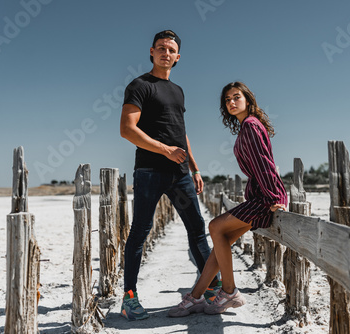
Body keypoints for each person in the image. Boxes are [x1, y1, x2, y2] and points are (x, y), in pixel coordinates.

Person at [119, 30, 218, 321]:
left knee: (197, 230)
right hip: (150, 172)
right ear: (151, 52)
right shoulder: (139, 85)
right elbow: (127, 129)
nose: (165, 52)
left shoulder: (178, 91)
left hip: (180, 174)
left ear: (177, 57)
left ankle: (211, 290)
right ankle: (130, 298)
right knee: (140, 232)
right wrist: (164, 150)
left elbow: (180, 132)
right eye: (160, 48)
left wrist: (195, 167)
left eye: (171, 49)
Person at [168, 82, 288, 317]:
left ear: (248, 100)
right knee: (219, 244)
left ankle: (230, 291)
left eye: (236, 97)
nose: (232, 102)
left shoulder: (252, 126)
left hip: (264, 197)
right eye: (227, 100)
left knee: (215, 226)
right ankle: (195, 297)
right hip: (259, 194)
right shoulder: (247, 127)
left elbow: (265, 163)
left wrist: (276, 196)